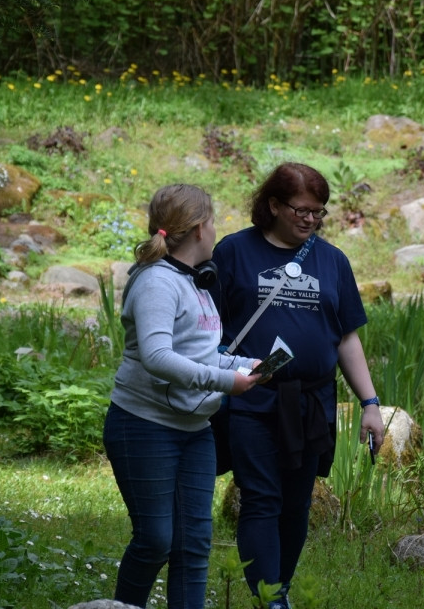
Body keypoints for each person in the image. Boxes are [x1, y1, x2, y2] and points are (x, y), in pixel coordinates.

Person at [209, 162, 386, 609]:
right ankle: (268, 598)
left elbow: (346, 337)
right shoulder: (235, 251)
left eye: (319, 212)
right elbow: (205, 324)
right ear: (273, 205)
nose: (310, 219)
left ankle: (278, 590)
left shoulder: (333, 261)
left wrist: (369, 402)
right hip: (252, 396)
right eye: (302, 210)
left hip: (312, 401)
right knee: (262, 498)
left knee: (296, 503)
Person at [103, 183, 262, 609]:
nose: (216, 230)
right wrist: (227, 382)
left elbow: (205, 355)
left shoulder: (197, 284)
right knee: (156, 540)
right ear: (197, 229)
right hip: (143, 426)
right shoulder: (157, 282)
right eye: (212, 222)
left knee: (193, 546)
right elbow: (157, 358)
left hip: (195, 431)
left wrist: (246, 367)